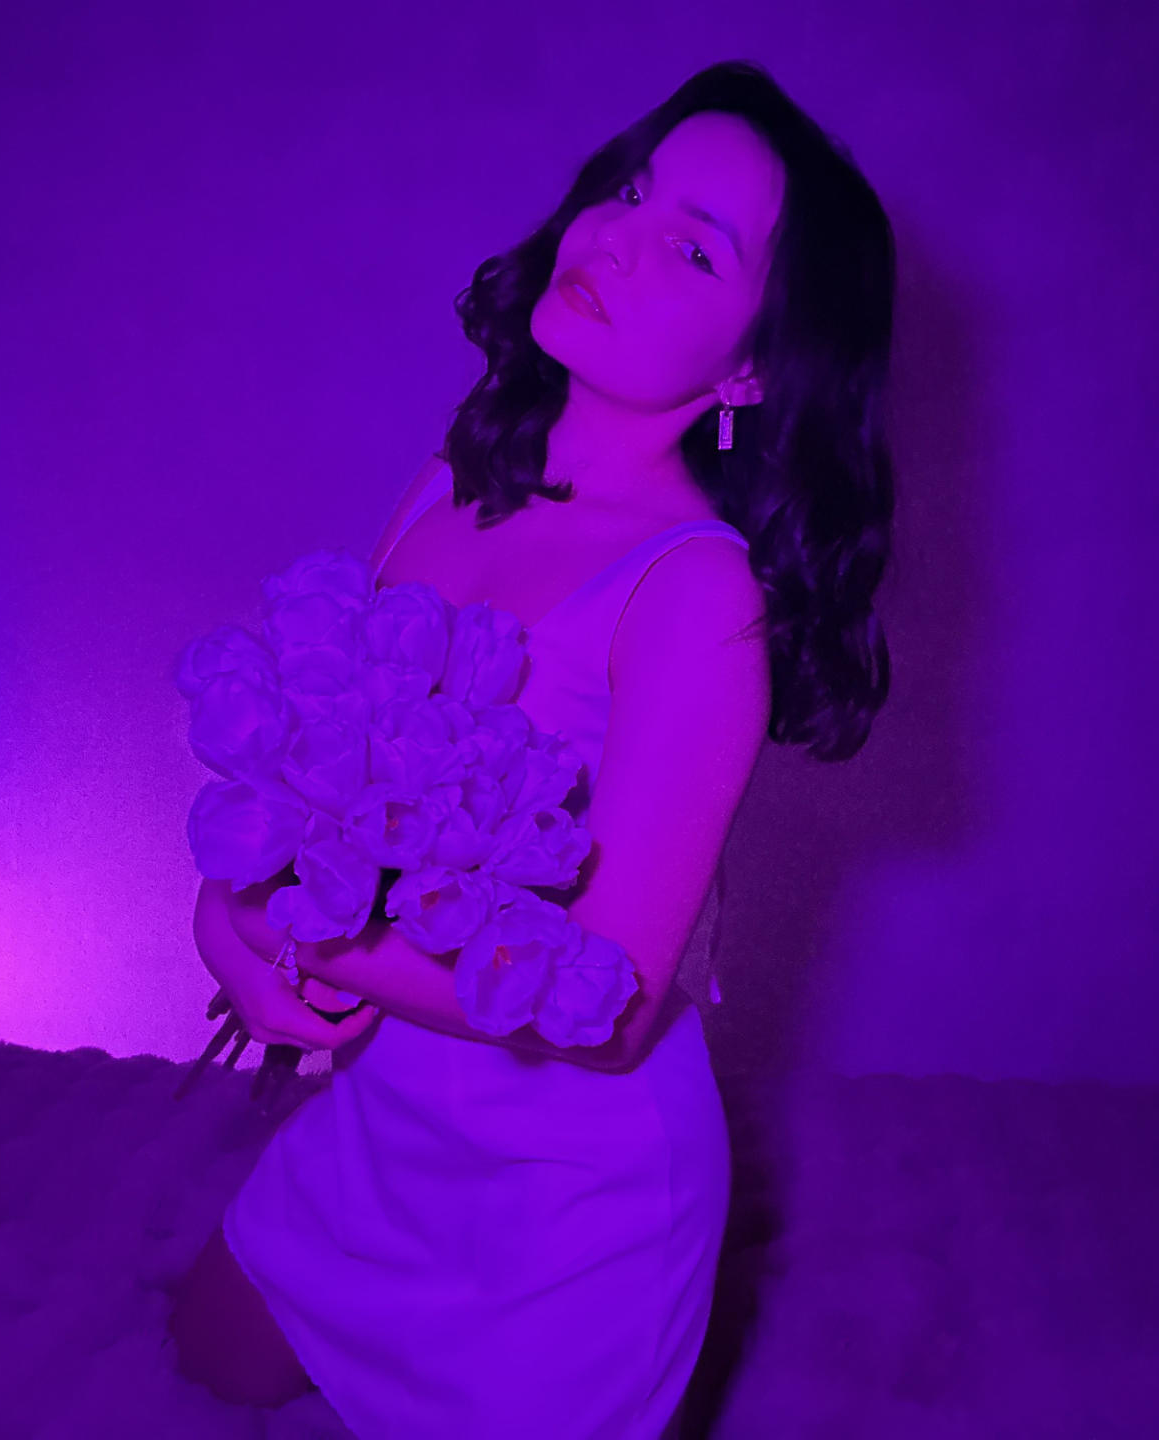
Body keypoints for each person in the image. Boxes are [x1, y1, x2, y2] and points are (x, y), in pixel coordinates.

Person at [168, 58, 897, 1438]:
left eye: (693, 247)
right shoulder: (451, 483)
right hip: (381, 1127)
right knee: (192, 1361)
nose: (615, 237)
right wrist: (223, 905)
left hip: (562, 1207)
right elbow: (320, 782)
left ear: (752, 366)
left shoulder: (695, 592)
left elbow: (606, 1003)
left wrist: (290, 934)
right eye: (630, 190)